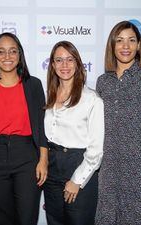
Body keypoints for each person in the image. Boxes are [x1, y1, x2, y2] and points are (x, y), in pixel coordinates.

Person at [95, 21, 141, 225]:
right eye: (119, 41)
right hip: (110, 168)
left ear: (139, 45)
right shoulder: (103, 82)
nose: (125, 46)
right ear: (112, 46)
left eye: (131, 40)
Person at [0, 32, 48, 225]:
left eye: (12, 51)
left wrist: (43, 160)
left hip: (27, 158)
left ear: (19, 55)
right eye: (1, 52)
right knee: (1, 219)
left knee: (27, 218)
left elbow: (42, 126)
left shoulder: (33, 85)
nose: (7, 57)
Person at [43, 40, 104, 225]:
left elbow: (96, 149)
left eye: (70, 59)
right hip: (52, 170)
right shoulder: (50, 95)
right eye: (59, 60)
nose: (65, 65)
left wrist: (77, 180)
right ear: (52, 65)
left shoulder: (92, 100)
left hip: (78, 165)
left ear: (78, 64)